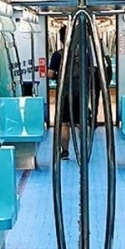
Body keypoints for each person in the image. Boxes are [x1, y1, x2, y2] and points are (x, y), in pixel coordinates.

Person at [47, 25, 72, 159]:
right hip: (80, 93)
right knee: (81, 123)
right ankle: (85, 148)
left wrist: (60, 76)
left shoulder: (57, 55)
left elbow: (50, 74)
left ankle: (65, 151)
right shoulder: (85, 54)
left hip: (64, 92)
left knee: (64, 123)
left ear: (61, 39)